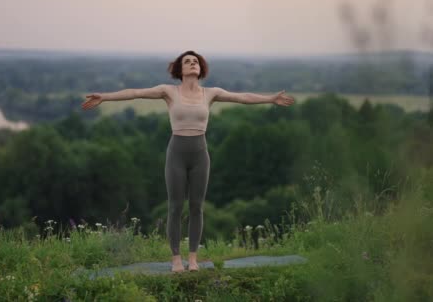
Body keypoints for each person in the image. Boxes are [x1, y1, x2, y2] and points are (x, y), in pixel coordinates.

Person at [81, 50, 295, 273]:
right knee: (175, 207)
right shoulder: (168, 91)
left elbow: (242, 97)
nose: (192, 63)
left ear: (200, 69)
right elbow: (135, 92)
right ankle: (175, 259)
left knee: (196, 207)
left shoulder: (210, 93)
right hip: (176, 154)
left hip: (200, 155)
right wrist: (105, 96)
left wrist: (270, 98)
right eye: (187, 61)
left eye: (196, 61)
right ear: (180, 69)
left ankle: (192, 259)